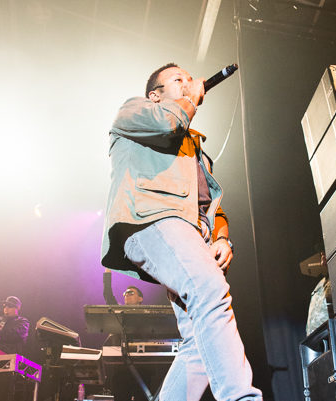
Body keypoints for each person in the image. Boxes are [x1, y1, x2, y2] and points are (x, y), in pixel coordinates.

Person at [101, 63, 263, 401]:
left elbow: (212, 205)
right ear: (155, 95)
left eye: (190, 79)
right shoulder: (135, 111)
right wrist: (190, 99)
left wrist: (221, 238)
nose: (189, 82)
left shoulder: (193, 146)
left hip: (191, 236)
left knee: (199, 347)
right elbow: (168, 123)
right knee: (210, 292)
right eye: (179, 79)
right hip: (153, 219)